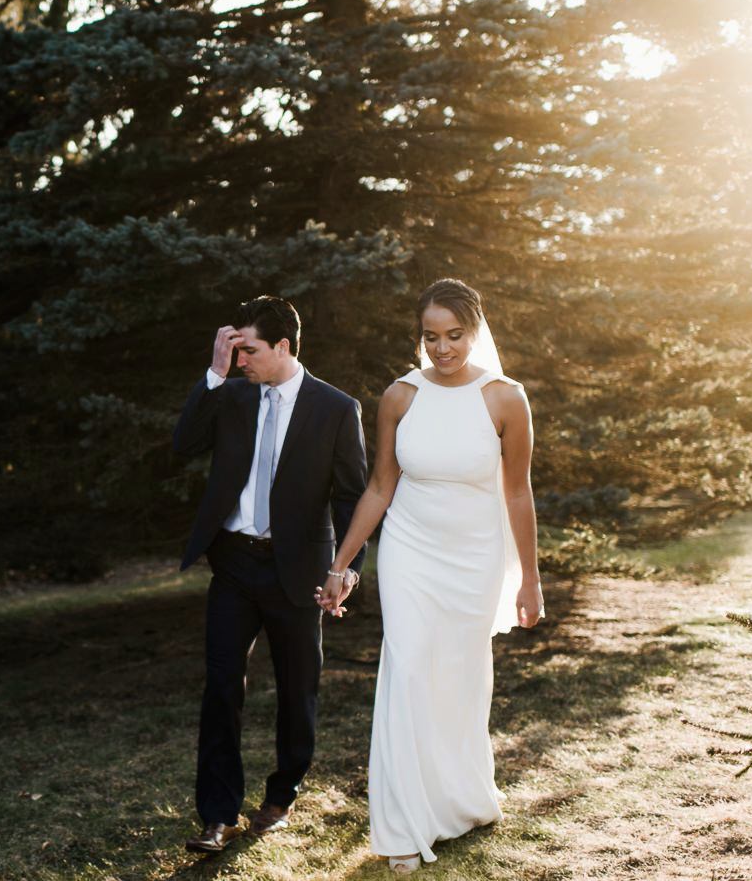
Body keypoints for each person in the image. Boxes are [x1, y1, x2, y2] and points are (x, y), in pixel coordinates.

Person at [317, 278, 545, 874]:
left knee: (461, 681)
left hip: (475, 557)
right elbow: (379, 487)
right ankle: (403, 826)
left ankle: (463, 801)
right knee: (410, 670)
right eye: (430, 336)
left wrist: (530, 579)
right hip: (410, 553)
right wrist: (342, 564)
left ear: (474, 331)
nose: (442, 348)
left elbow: (517, 494)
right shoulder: (400, 396)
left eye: (454, 335)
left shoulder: (505, 399)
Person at [172, 295, 369, 853]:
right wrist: (213, 371)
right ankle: (216, 814)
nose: (242, 361)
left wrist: (346, 569)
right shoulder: (231, 394)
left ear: (283, 347)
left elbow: (354, 498)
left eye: (250, 350)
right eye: (235, 352)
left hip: (300, 570)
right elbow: (183, 443)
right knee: (220, 688)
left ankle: (281, 796)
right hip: (233, 564)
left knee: (297, 689)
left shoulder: (335, 408)